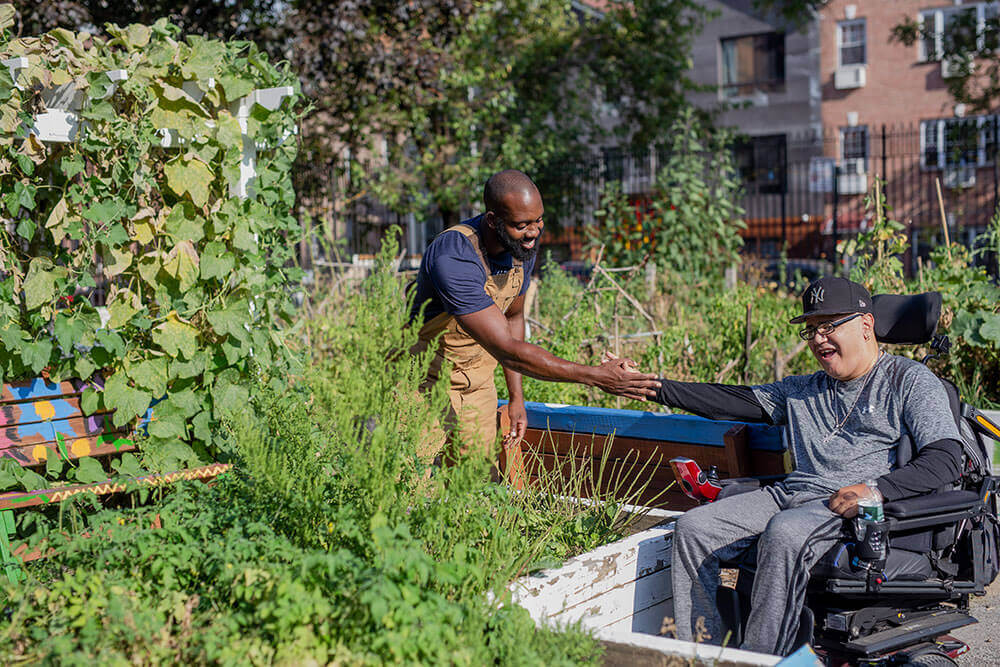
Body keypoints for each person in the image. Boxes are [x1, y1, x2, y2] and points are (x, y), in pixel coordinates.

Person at [651, 276, 964, 656]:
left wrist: (875, 490)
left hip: (848, 509)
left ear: (866, 326)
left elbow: (947, 458)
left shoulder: (909, 381)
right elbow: (729, 400)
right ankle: (700, 653)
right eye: (812, 329)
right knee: (694, 528)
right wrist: (652, 386)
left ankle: (758, 659)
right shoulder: (803, 389)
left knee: (784, 533)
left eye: (829, 326)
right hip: (791, 494)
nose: (818, 338)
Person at [408, 169, 660, 458]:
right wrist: (595, 376)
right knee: (409, 487)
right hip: (422, 385)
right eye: (521, 224)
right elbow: (506, 348)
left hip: (477, 385)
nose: (534, 232)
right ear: (493, 220)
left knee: (475, 488)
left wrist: (517, 398)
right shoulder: (454, 256)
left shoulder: (520, 246)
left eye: (539, 220)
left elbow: (513, 318)